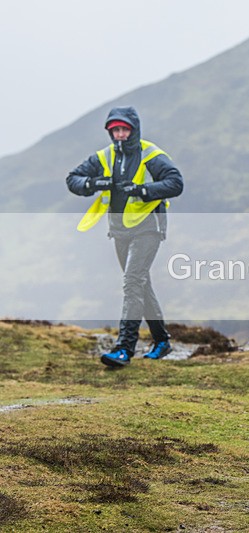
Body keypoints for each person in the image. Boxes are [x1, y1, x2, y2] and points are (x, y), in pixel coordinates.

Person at [66, 106, 183, 368]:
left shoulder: (149, 153)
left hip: (148, 227)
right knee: (140, 284)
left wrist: (143, 190)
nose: (119, 135)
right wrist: (94, 184)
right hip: (119, 230)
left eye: (124, 129)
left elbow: (176, 182)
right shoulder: (105, 156)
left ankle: (124, 349)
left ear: (133, 130)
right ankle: (162, 341)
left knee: (132, 282)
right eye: (115, 130)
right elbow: (72, 179)